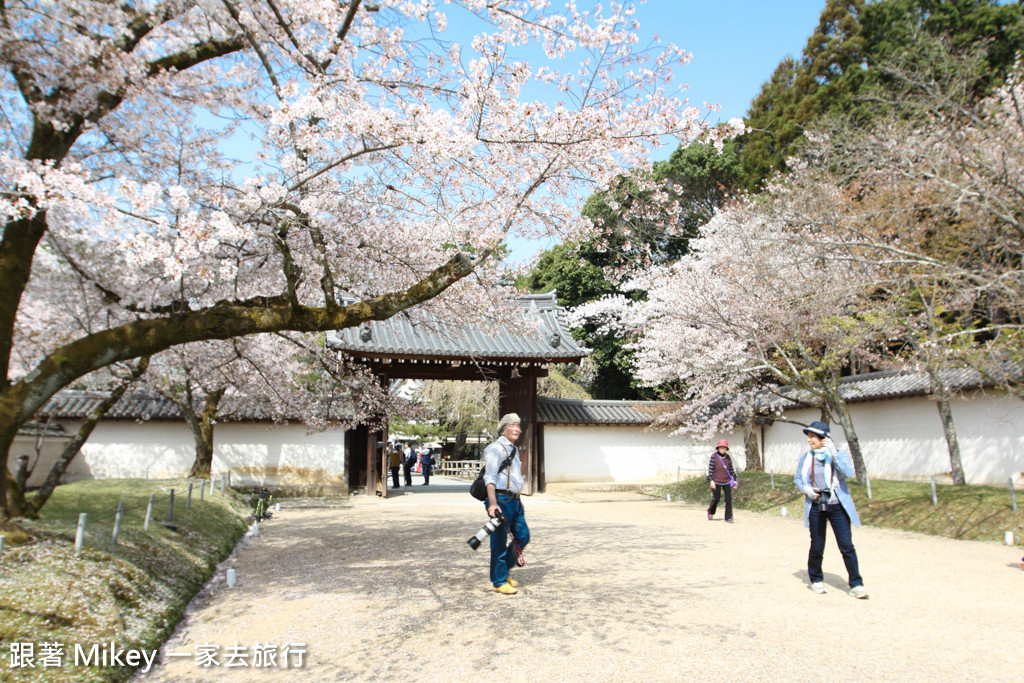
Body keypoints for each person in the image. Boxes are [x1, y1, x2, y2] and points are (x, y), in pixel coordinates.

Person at [793, 421, 868, 599]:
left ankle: (856, 584)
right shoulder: (806, 457)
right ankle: (816, 578)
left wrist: (834, 453)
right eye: (809, 437)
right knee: (817, 545)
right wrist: (806, 490)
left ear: (823, 439)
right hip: (816, 505)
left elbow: (848, 473)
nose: (810, 440)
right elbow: (798, 479)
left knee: (846, 546)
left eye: (813, 437)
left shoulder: (837, 454)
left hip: (837, 506)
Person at [483, 413, 529, 595]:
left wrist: (520, 500)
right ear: (503, 429)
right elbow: (490, 476)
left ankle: (504, 570)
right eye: (512, 425)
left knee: (523, 535)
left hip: (514, 500)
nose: (517, 429)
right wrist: (493, 503)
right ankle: (499, 580)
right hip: (501, 500)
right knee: (499, 541)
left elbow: (515, 477)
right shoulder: (496, 448)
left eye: (518, 425)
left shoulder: (514, 449)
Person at [706, 439, 738, 523]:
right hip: (716, 480)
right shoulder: (714, 456)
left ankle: (728, 517)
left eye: (724, 447)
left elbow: (731, 469)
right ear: (718, 448)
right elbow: (710, 469)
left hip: (726, 480)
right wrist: (711, 480)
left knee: (728, 499)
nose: (722, 449)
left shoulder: (728, 457)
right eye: (721, 447)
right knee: (716, 498)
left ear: (726, 449)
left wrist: (734, 480)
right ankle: (711, 511)